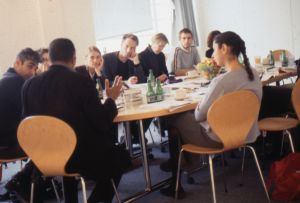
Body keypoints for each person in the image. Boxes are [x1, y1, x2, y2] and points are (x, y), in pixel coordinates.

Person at [21, 38, 131, 203]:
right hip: (78, 158)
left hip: (42, 156)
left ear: (49, 59)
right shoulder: (81, 82)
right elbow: (101, 121)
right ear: (73, 59)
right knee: (122, 157)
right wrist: (111, 99)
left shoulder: (28, 85)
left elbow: (27, 124)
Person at [160, 31, 262, 198]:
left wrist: (200, 104)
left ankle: (178, 178)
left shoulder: (220, 82)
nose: (212, 54)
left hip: (218, 138)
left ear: (225, 49)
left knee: (174, 117)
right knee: (186, 120)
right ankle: (187, 163)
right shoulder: (253, 73)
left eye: (214, 50)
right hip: (246, 133)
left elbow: (199, 116)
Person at [0, 48, 39, 201]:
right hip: (7, 145)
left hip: (6, 140)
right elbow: (34, 113)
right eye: (30, 66)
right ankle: (21, 182)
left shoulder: (7, 78)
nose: (33, 72)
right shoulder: (15, 83)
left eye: (35, 68)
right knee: (54, 144)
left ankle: (23, 182)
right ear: (17, 63)